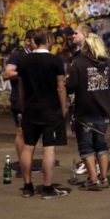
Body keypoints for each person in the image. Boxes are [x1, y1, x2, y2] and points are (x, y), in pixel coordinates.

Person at [17, 27, 70, 199]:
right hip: (50, 110)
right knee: (48, 149)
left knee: (28, 147)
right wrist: (63, 109)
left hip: (31, 110)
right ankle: (47, 189)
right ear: (48, 40)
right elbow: (61, 88)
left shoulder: (24, 61)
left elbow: (21, 88)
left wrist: (23, 107)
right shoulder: (55, 61)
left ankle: (27, 187)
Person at [66, 26, 110, 190]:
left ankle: (93, 180)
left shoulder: (78, 63)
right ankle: (104, 177)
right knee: (101, 144)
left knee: (86, 146)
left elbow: (70, 87)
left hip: (85, 113)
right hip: (104, 112)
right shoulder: (108, 64)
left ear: (87, 45)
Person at [3, 29, 37, 178]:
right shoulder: (18, 55)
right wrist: (24, 72)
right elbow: (7, 74)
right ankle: (22, 166)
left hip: (34, 100)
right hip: (20, 100)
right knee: (21, 132)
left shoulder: (38, 56)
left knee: (32, 133)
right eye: (36, 39)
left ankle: (28, 162)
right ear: (28, 41)